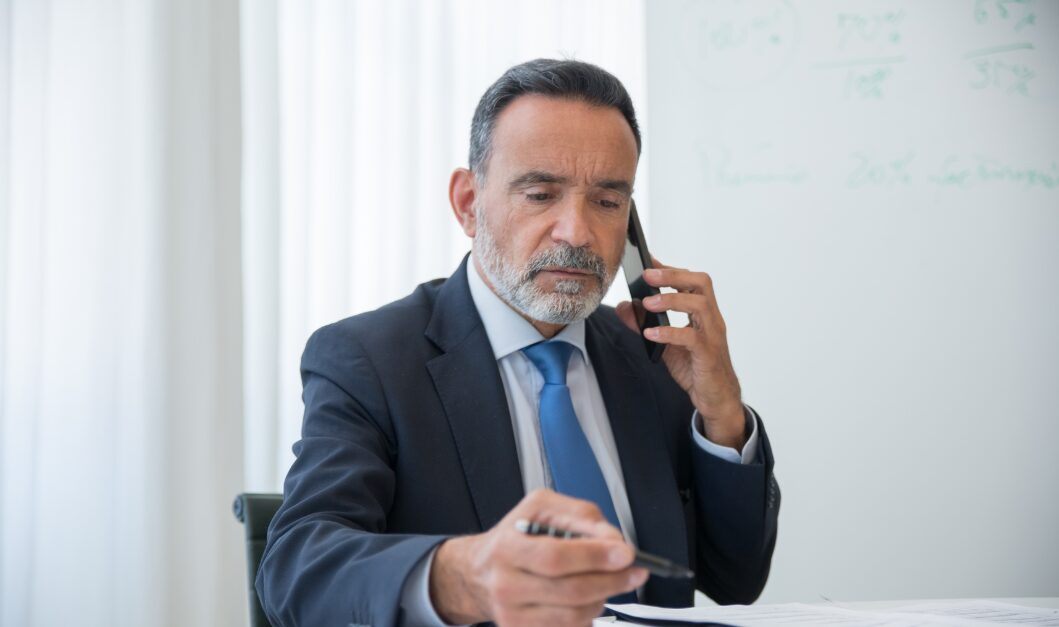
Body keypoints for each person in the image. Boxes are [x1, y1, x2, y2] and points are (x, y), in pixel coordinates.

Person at [257, 59, 780, 627]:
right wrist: (462, 575)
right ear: (467, 203)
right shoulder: (370, 360)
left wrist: (722, 414)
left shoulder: (653, 354)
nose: (576, 232)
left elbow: (736, 582)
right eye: (539, 194)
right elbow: (296, 570)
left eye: (607, 202)